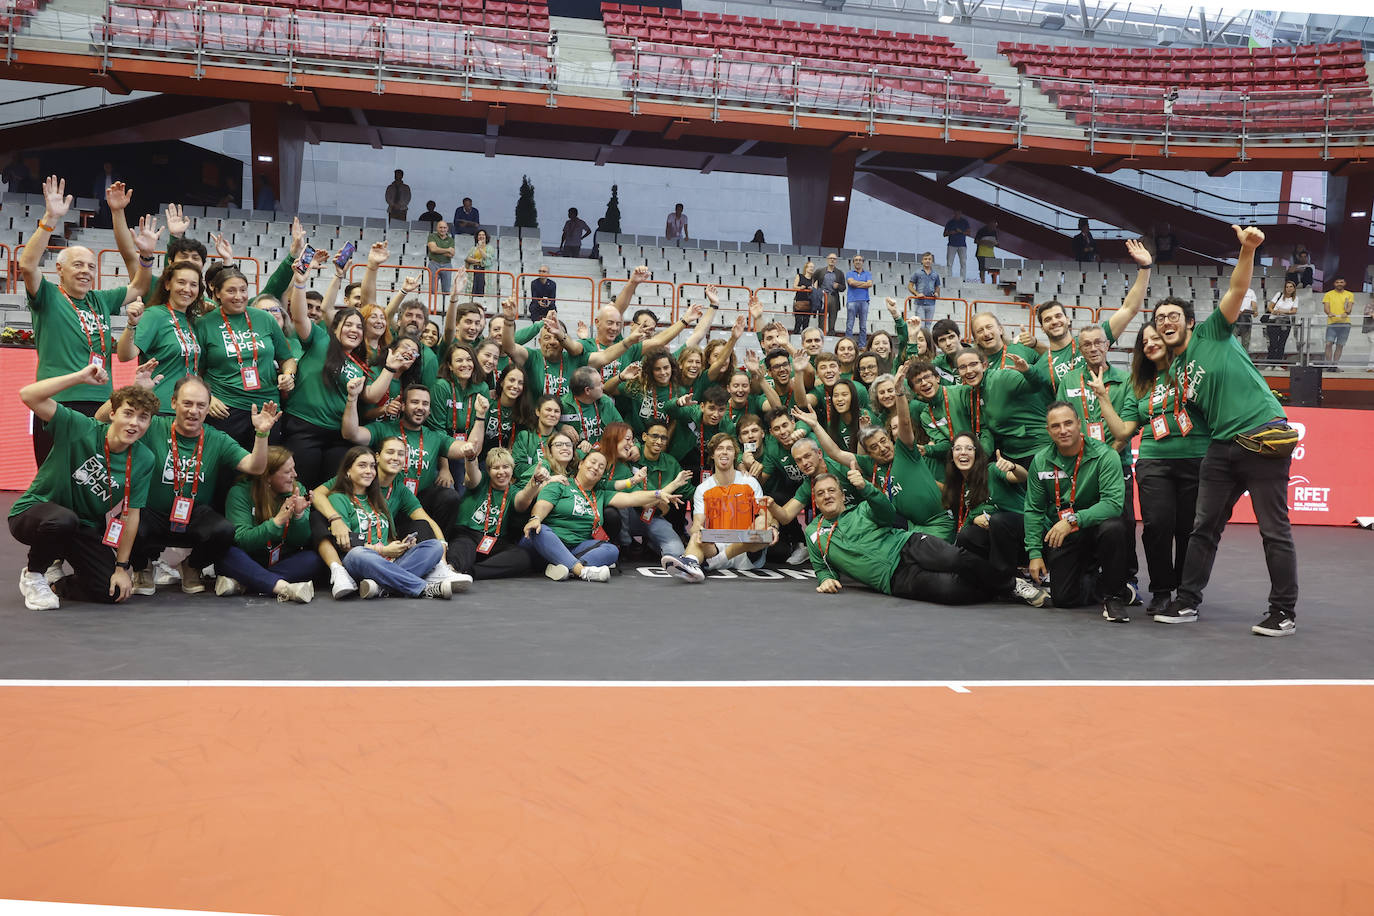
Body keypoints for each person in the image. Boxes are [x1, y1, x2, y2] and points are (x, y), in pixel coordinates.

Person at [1153, 226, 1299, 637]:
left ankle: (1283, 611)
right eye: (1160, 317)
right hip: (1221, 448)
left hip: (1261, 435)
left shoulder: (1212, 332)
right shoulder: (1177, 372)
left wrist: (1247, 250)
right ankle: (1187, 602)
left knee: (1273, 529)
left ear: (1189, 322)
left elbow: (1236, 289)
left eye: (1173, 316)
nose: (1166, 321)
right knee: (1204, 527)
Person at [20, 175, 157, 463]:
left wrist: (145, 256)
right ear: (59, 268)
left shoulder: (101, 300)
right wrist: (50, 219)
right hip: (57, 402)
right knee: (54, 476)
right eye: (78, 265)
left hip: (103, 403)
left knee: (91, 475)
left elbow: (140, 287)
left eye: (91, 266)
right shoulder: (47, 295)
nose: (85, 271)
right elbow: (27, 264)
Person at [112, 374, 281, 595]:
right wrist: (134, 388)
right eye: (187, 403)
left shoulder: (217, 438)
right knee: (125, 522)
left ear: (208, 408)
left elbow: (256, 467)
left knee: (224, 530)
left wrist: (262, 433)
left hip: (193, 515)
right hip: (151, 513)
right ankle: (142, 567)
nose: (194, 411)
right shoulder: (152, 427)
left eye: (201, 405)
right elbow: (103, 418)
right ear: (173, 403)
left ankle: (192, 567)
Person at [10, 365, 158, 611]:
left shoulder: (144, 458)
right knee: (63, 520)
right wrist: (79, 377)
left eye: (143, 417)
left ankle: (57, 584)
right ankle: (34, 574)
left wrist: (121, 568)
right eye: (128, 413)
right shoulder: (80, 428)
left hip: (82, 527)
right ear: (112, 413)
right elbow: (29, 395)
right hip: (34, 513)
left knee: (112, 591)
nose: (134, 423)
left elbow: (131, 514)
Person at [1090, 323, 1208, 617]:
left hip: (1196, 458)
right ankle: (1161, 590)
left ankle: (1185, 593)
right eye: (1144, 341)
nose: (1151, 343)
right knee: (1157, 526)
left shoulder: (1191, 371)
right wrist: (1103, 398)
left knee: (1188, 530)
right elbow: (1123, 430)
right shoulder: (1138, 383)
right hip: (1154, 461)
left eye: (1156, 337)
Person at [283, 251, 407, 487]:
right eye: (348, 324)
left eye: (359, 327)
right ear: (335, 327)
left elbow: (371, 395)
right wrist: (300, 283)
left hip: (338, 436)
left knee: (333, 490)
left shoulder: (360, 364)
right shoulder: (320, 340)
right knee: (300, 485)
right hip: (303, 428)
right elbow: (299, 318)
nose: (354, 330)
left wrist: (389, 368)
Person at [805, 468, 1011, 605]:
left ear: (842, 494)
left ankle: (1011, 584)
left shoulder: (862, 509)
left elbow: (887, 511)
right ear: (816, 500)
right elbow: (823, 567)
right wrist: (825, 580)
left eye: (831, 490)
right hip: (892, 579)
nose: (827, 496)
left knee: (954, 558)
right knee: (951, 590)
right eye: (821, 493)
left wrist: (865, 488)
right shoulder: (812, 531)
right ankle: (995, 590)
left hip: (907, 545)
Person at [340, 377, 483, 554]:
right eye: (414, 402)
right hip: (387, 502)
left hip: (416, 503)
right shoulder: (385, 429)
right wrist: (352, 398)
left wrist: (480, 417)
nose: (420, 407)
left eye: (425, 404)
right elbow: (351, 433)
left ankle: (437, 550)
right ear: (402, 406)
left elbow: (470, 448)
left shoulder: (434, 436)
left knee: (449, 497)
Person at [1023, 402, 1132, 621]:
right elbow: (1033, 510)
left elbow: (1113, 503)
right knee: (1063, 599)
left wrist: (1072, 521)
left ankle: (1114, 597)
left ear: (1079, 424)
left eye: (1068, 423)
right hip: (1068, 535)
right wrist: (1034, 553)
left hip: (1095, 526)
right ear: (1048, 431)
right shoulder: (1041, 461)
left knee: (1115, 526)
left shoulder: (1104, 455)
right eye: (1055, 426)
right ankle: (1100, 578)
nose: (1063, 430)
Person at [520, 448, 686, 582]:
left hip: (577, 548)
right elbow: (542, 505)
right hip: (544, 546)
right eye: (593, 462)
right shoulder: (561, 484)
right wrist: (536, 519)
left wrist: (659, 493)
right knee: (539, 530)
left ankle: (565, 567)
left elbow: (631, 497)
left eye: (601, 467)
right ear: (580, 464)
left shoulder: (600, 494)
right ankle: (581, 571)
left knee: (611, 549)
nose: (596, 467)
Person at [320, 445, 453, 599]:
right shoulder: (338, 498)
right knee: (358, 554)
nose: (369, 471)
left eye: (372, 466)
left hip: (389, 561)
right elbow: (347, 543)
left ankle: (381, 587)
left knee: (434, 546)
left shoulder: (379, 499)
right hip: (360, 560)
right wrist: (383, 551)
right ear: (348, 471)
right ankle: (423, 588)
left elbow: (386, 537)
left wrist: (401, 546)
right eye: (362, 466)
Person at [197, 266, 296, 447]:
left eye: (243, 290)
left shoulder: (265, 319)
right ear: (217, 293)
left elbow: (287, 359)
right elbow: (196, 371)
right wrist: (207, 397)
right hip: (225, 408)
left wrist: (289, 375)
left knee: (264, 468)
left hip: (267, 407)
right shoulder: (204, 324)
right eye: (231, 291)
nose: (239, 296)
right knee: (227, 469)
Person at [942, 432, 1045, 606]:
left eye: (969, 448)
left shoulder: (991, 470)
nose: (963, 453)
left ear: (977, 453)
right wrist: (974, 519)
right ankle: (1004, 583)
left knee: (998, 521)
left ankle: (1006, 584)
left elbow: (1022, 476)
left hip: (1028, 529)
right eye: (958, 449)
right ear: (952, 456)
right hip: (1001, 542)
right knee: (967, 537)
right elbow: (972, 517)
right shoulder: (962, 487)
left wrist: (1012, 466)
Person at [214, 446, 322, 603]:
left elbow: (299, 541)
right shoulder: (240, 493)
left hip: (280, 559)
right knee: (227, 554)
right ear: (267, 477)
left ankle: (246, 582)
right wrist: (277, 521)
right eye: (287, 472)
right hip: (249, 557)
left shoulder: (297, 490)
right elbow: (243, 540)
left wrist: (299, 516)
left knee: (314, 558)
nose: (295, 475)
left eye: (294, 469)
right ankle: (284, 588)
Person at [661, 433, 775, 581]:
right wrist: (701, 532)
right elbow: (696, 525)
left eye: (729, 449)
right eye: (720, 448)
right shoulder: (702, 489)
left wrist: (766, 525)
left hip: (747, 551)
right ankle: (691, 562)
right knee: (697, 535)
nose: (724, 452)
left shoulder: (750, 482)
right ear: (713, 455)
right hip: (716, 547)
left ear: (735, 455)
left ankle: (715, 561)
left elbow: (765, 515)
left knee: (762, 527)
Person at [449, 447, 541, 579]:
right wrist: (471, 459)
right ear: (488, 470)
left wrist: (535, 481)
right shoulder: (481, 481)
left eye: (506, 467)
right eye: (496, 468)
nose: (501, 472)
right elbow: (473, 474)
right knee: (462, 548)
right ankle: (451, 571)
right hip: (467, 534)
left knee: (522, 557)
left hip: (494, 540)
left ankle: (471, 573)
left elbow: (522, 500)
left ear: (512, 469)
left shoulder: (513, 491)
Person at [560, 365, 624, 450]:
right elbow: (547, 428)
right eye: (599, 384)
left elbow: (622, 429)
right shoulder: (563, 405)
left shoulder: (605, 401)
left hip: (604, 453)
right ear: (587, 390)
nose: (603, 386)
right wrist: (560, 427)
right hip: (578, 455)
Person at [1263, 278, 1301, 363]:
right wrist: (1274, 312)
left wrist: (1282, 311)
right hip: (1273, 321)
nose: (1289, 288)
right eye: (1287, 287)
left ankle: (1278, 364)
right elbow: (1270, 307)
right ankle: (1270, 363)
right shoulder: (1279, 294)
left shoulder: (1295, 298)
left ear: (1294, 288)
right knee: (1273, 343)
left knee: (1281, 344)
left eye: (1291, 287)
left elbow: (1294, 311)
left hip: (1285, 322)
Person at [1322, 276, 1355, 369]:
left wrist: (1346, 312)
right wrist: (1329, 313)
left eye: (1341, 282)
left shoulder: (1349, 294)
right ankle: (1329, 365)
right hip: (1332, 323)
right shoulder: (1328, 294)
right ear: (1334, 284)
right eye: (1337, 282)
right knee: (1329, 344)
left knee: (1340, 345)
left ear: (1344, 283)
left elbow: (1349, 307)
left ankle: (1335, 365)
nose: (1339, 284)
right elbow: (1326, 307)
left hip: (1345, 323)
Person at [844, 255, 874, 348]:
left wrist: (857, 284)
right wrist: (864, 284)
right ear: (853, 262)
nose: (858, 262)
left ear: (863, 262)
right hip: (852, 301)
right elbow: (851, 283)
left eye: (860, 260)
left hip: (864, 301)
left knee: (863, 326)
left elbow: (869, 284)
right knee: (850, 324)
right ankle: (849, 344)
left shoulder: (868, 273)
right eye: (856, 260)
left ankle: (862, 345)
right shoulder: (849, 273)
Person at [814, 253, 846, 335]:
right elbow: (812, 281)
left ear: (836, 261)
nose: (832, 260)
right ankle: (821, 334)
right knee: (821, 318)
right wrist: (816, 291)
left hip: (834, 297)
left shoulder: (839, 273)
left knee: (833, 317)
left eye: (834, 259)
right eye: (830, 258)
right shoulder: (820, 271)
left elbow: (843, 287)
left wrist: (838, 286)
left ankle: (831, 334)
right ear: (827, 259)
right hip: (823, 296)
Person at [906, 252, 941, 324]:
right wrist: (917, 294)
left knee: (928, 326)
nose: (927, 261)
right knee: (920, 326)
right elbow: (910, 286)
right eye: (925, 259)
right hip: (919, 303)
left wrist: (937, 293)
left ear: (932, 261)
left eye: (929, 259)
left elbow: (937, 287)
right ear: (922, 261)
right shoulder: (917, 273)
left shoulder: (935, 274)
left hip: (931, 304)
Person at [426, 221, 456, 294]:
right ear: (437, 228)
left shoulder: (451, 239)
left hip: (447, 265)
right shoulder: (432, 236)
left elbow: (451, 254)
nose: (443, 230)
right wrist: (447, 250)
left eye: (444, 228)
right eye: (440, 227)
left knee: (446, 291)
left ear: (447, 228)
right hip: (434, 264)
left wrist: (438, 250)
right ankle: (432, 305)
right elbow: (433, 249)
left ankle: (444, 305)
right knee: (432, 290)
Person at [464, 228, 494, 299]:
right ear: (477, 237)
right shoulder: (473, 248)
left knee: (482, 292)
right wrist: (479, 261)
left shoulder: (490, 248)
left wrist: (480, 248)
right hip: (473, 271)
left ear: (486, 237)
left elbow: (488, 260)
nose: (481, 236)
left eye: (483, 235)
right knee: (472, 291)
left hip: (483, 271)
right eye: (479, 235)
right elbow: (467, 259)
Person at [943, 209, 971, 281]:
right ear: (954, 213)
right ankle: (949, 278)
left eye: (958, 213)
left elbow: (969, 233)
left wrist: (961, 231)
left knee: (963, 262)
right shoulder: (950, 222)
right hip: (952, 244)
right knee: (949, 262)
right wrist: (951, 232)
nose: (957, 215)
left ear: (961, 213)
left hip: (962, 245)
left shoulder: (964, 222)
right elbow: (944, 234)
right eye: (956, 213)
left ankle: (963, 279)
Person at [792, 260, 816, 335]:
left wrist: (811, 289)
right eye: (810, 266)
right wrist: (800, 288)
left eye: (813, 267)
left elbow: (815, 289)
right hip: (799, 302)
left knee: (806, 323)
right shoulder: (799, 276)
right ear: (806, 268)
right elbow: (794, 287)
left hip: (808, 303)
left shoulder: (813, 279)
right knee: (798, 322)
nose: (812, 268)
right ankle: (795, 337)